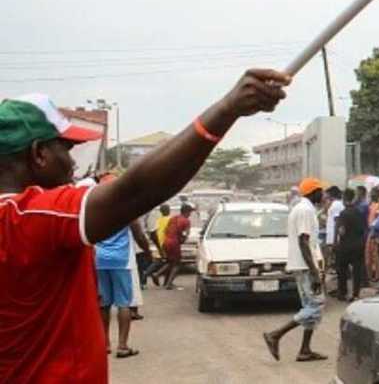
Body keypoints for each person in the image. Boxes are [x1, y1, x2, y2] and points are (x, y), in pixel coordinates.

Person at [0, 69, 289, 383]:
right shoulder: (26, 216)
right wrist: (226, 109)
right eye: (66, 150)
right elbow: (135, 192)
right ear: (39, 154)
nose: (73, 165)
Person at [263, 177, 328, 363]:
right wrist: (315, 271)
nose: (323, 195)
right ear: (314, 192)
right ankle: (275, 335)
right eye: (321, 191)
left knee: (309, 306)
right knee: (316, 305)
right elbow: (303, 241)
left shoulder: (301, 208)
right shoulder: (306, 210)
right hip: (305, 266)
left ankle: (305, 350)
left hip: (301, 265)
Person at [93, 174, 149, 359]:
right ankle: (122, 346)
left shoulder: (95, 208)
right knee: (124, 303)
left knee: (104, 304)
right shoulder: (126, 209)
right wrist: (148, 251)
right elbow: (139, 235)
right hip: (121, 261)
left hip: (99, 260)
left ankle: (104, 344)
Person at [334, 188, 366, 302]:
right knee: (357, 270)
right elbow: (364, 229)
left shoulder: (343, 213)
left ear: (344, 199)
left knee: (342, 269)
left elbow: (341, 231)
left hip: (345, 245)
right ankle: (355, 294)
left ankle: (343, 293)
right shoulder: (359, 211)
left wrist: (338, 233)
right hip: (358, 244)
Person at [153, 204, 193, 289]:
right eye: (190, 212)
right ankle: (168, 284)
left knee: (170, 262)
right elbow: (185, 234)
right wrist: (182, 240)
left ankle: (157, 274)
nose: (190, 214)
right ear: (186, 212)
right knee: (177, 264)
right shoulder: (186, 221)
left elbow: (167, 229)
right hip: (174, 242)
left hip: (166, 241)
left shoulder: (173, 218)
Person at [323, 186, 343, 286]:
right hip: (332, 239)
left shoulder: (336, 205)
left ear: (331, 194)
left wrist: (335, 240)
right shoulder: (334, 204)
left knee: (337, 264)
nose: (324, 196)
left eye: (326, 194)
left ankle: (339, 287)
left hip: (334, 239)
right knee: (335, 264)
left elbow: (337, 222)